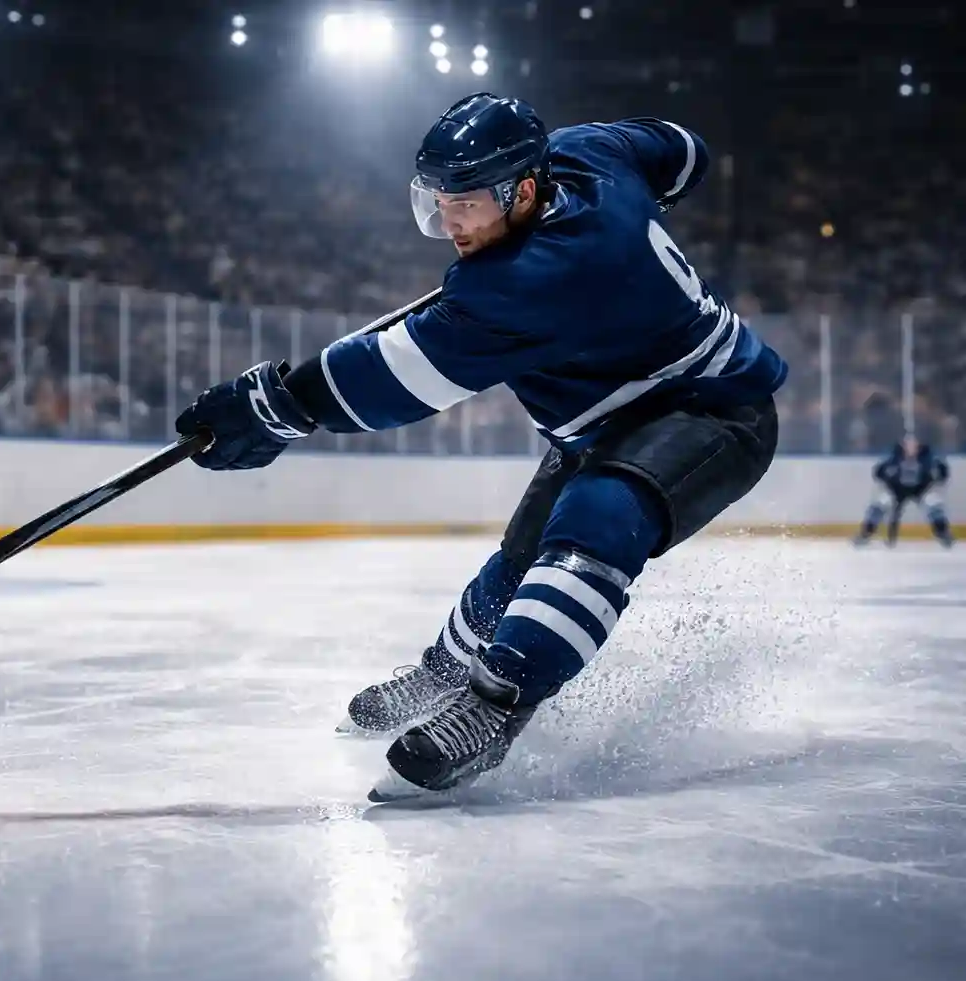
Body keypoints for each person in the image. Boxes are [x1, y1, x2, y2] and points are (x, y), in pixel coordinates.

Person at [174, 93, 788, 801]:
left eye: (465, 203)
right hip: (601, 422)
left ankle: (493, 708)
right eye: (438, 199)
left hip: (709, 409)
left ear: (524, 189)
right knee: (519, 562)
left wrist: (280, 404)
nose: (448, 221)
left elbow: (394, 377)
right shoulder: (588, 151)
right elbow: (681, 149)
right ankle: (444, 673)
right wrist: (639, 215)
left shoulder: (531, 276)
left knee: (593, 523)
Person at [853, 433, 953, 548]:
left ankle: (943, 533)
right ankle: (866, 533)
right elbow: (878, 471)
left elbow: (943, 470)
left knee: (933, 502)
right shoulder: (893, 457)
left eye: (913, 444)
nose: (910, 448)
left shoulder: (927, 457)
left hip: (921, 489)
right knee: (881, 502)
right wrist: (887, 481)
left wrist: (937, 481)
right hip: (897, 490)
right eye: (907, 444)